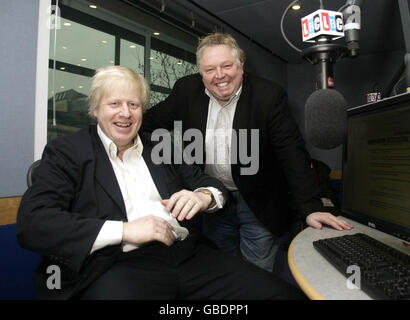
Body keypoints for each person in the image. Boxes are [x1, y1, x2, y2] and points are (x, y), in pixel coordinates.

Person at [16, 65, 305, 300]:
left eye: (134, 104)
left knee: (283, 295)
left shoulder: (161, 145)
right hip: (113, 265)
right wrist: (126, 230)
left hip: (187, 255)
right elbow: (34, 224)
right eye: (114, 104)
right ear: (95, 109)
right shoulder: (67, 152)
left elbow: (208, 182)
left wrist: (204, 196)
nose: (125, 113)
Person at [141, 33, 353, 273]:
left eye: (227, 66)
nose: (219, 75)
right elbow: (149, 124)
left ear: (241, 65)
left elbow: (292, 153)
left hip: (259, 198)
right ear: (201, 72)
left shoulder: (269, 96)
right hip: (212, 200)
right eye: (209, 69)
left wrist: (311, 206)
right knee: (221, 264)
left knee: (258, 269)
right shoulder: (186, 90)